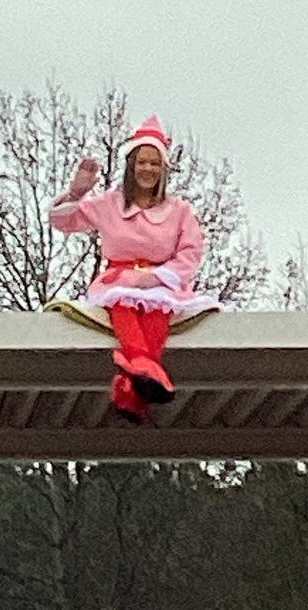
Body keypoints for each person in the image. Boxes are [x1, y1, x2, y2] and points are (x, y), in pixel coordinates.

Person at [49, 116, 219, 420]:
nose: (148, 169)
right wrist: (76, 195)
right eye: (142, 161)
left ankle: (131, 387)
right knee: (123, 309)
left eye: (155, 163)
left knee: (157, 314)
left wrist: (161, 277)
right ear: (131, 165)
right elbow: (63, 221)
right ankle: (145, 372)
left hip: (163, 286)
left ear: (163, 169)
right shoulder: (109, 204)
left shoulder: (179, 211)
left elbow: (191, 251)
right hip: (118, 282)